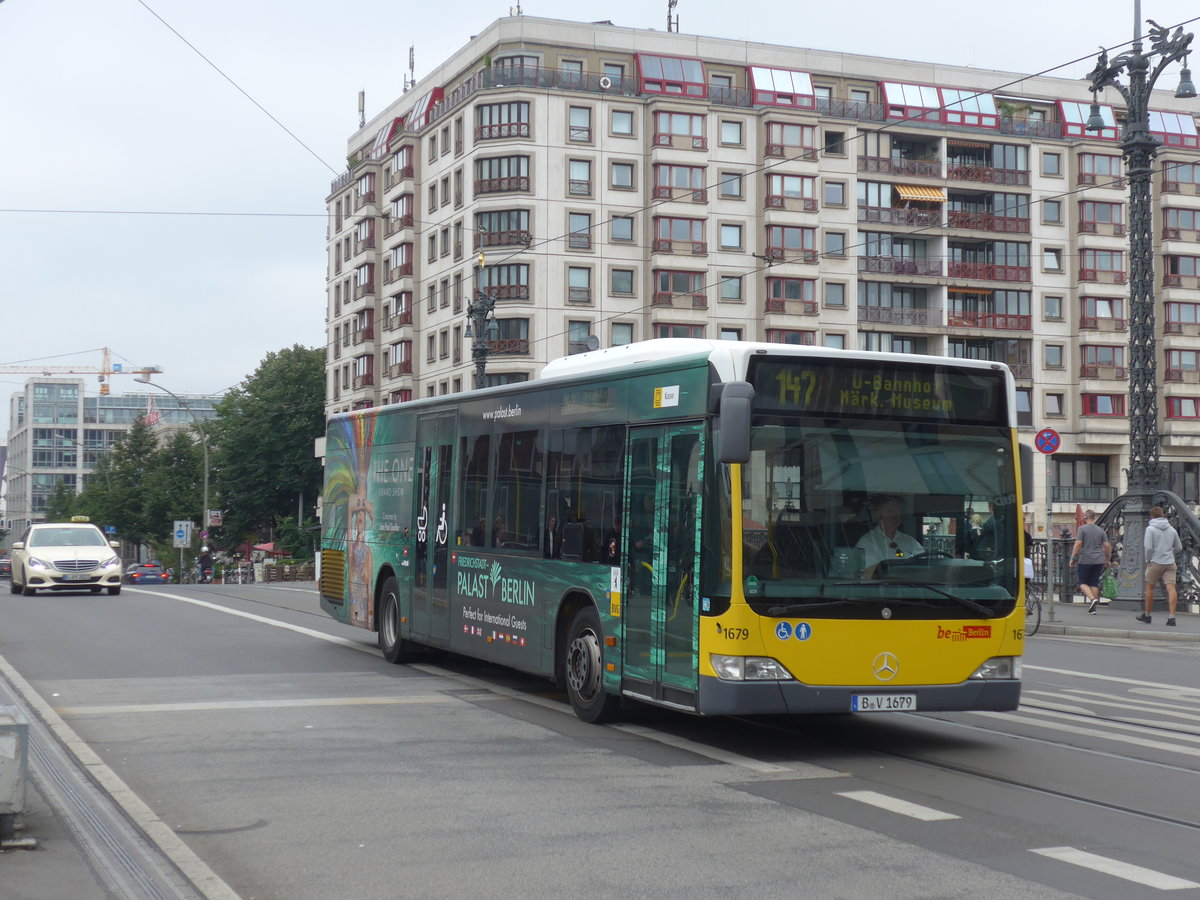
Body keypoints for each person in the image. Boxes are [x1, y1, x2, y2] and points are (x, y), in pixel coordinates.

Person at [855, 496, 923, 576]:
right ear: (879, 515)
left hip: (910, 586)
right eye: (890, 511)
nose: (895, 516)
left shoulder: (911, 542)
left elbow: (923, 566)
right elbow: (870, 574)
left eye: (897, 512)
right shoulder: (867, 542)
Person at [1138, 506, 1182, 626]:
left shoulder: (1150, 529)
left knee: (1150, 587)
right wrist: (1169, 552)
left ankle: (1147, 615)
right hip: (1169, 562)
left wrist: (1148, 559)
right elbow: (1179, 547)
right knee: (1171, 588)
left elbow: (1148, 547)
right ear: (1163, 515)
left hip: (1156, 561)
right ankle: (1171, 617)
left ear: (1151, 516)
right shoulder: (1171, 529)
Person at [1070, 509, 1111, 615]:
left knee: (1082, 582)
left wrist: (1072, 558)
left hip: (1085, 559)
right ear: (1094, 518)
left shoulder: (1082, 529)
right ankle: (1093, 608)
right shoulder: (1100, 530)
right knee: (1094, 583)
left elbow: (1078, 544)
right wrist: (1108, 559)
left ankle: (1092, 599)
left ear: (1085, 518)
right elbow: (1107, 546)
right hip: (1099, 560)